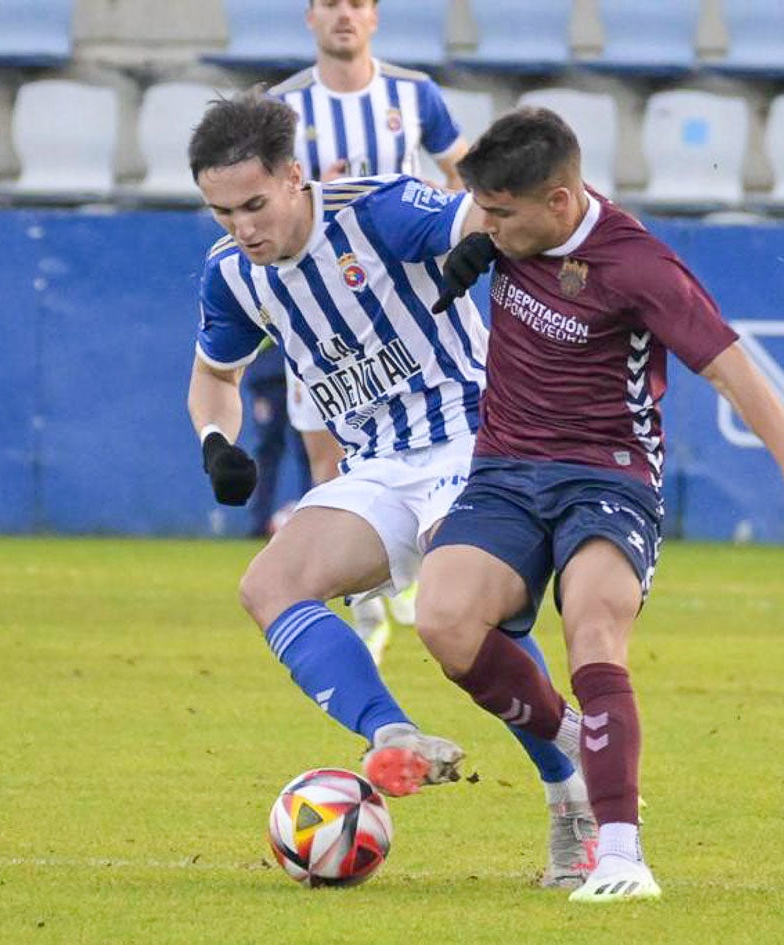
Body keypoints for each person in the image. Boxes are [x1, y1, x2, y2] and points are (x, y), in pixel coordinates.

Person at [413, 107, 784, 903]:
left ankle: (621, 853)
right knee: (442, 619)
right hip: (503, 469)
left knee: (593, 627)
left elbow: (735, 372)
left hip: (609, 477)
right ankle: (574, 735)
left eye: (498, 214)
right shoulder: (511, 231)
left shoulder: (639, 267)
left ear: (560, 202)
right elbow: (456, 220)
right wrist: (477, 236)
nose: (484, 226)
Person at [184, 91, 596, 888]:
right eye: (220, 212)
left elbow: (471, 217)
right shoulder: (233, 276)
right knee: (268, 583)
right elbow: (213, 377)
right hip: (374, 463)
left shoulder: (374, 209)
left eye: (254, 205)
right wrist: (214, 440)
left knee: (458, 604)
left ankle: (568, 789)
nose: (242, 228)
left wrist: (478, 242)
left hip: (475, 438)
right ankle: (392, 733)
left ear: (294, 177)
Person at [269, 0, 473, 653]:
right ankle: (364, 603)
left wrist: (443, 227)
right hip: (321, 317)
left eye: (356, 3)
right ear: (309, 18)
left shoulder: (413, 93)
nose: (344, 16)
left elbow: (460, 170)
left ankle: (409, 572)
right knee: (329, 460)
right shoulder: (283, 107)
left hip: (399, 307)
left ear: (375, 16)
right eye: (329, 4)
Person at [239, 343, 311, 538]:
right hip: (268, 373)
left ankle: (313, 521)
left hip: (301, 370)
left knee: (310, 450)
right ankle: (258, 523)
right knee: (266, 451)